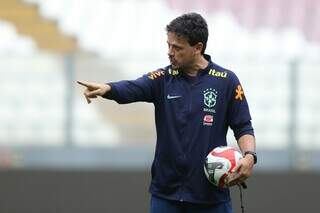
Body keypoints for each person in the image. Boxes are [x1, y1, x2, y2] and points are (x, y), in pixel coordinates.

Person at [78, 13, 256, 213]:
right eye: (169, 45)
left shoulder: (226, 81)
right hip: (166, 196)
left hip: (211, 197)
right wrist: (107, 89)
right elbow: (134, 88)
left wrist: (249, 156)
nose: (170, 52)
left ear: (198, 48)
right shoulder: (163, 78)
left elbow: (243, 126)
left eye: (177, 47)